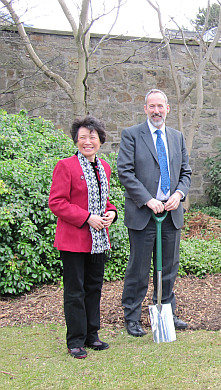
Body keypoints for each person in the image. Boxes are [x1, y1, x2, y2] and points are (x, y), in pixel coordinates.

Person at [118, 88, 192, 337]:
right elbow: (125, 173)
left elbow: (186, 173)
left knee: (169, 267)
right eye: (152, 106)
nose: (157, 111)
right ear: (145, 109)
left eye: (161, 106)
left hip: (170, 214)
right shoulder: (132, 135)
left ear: (168, 109)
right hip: (143, 214)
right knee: (138, 268)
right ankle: (132, 316)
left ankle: (166, 311)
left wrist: (178, 195)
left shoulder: (177, 137)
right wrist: (148, 200)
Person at [49, 116, 117, 359]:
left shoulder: (105, 168)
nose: (88, 141)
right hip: (73, 240)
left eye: (92, 137)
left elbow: (105, 201)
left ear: (100, 140)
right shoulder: (65, 166)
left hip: (99, 240)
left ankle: (92, 335)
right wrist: (87, 217)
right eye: (83, 137)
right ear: (76, 140)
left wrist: (111, 213)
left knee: (94, 288)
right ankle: (75, 340)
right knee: (75, 290)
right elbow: (56, 202)